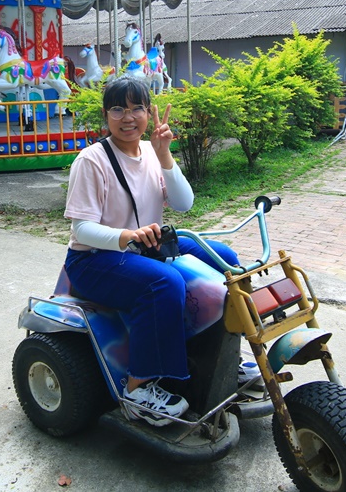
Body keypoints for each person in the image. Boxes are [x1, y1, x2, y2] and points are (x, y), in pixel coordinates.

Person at [63, 77, 246, 426]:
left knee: (226, 259)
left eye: (136, 108)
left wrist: (164, 155)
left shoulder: (150, 151)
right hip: (93, 260)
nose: (127, 117)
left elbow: (184, 204)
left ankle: (224, 356)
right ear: (106, 115)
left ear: (148, 112)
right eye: (118, 108)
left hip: (147, 246)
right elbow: (81, 230)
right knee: (164, 283)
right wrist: (127, 235)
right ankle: (138, 391)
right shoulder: (91, 160)